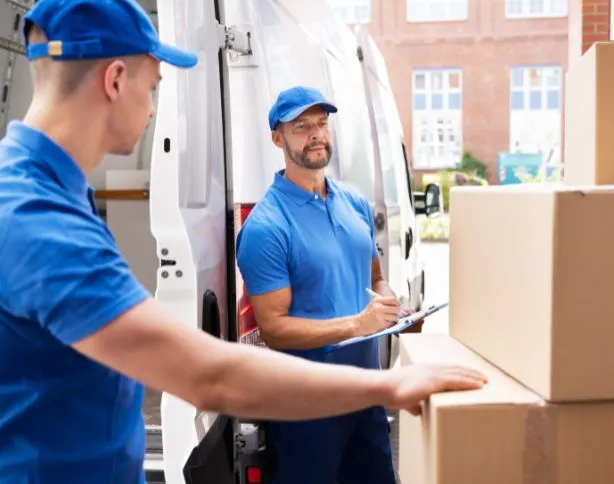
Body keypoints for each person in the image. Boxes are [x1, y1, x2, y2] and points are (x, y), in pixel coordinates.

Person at [0, 1, 487, 483]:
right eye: (153, 88)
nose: (153, 109)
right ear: (114, 80)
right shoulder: (39, 220)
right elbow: (208, 376)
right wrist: (388, 385)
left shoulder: (51, 194)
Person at [235, 86, 416, 484]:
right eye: (301, 126)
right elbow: (275, 329)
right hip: (306, 406)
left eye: (321, 123)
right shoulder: (266, 227)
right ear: (278, 139)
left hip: (365, 394)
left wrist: (393, 310)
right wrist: (357, 324)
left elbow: (375, 280)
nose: (315, 133)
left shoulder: (354, 204)